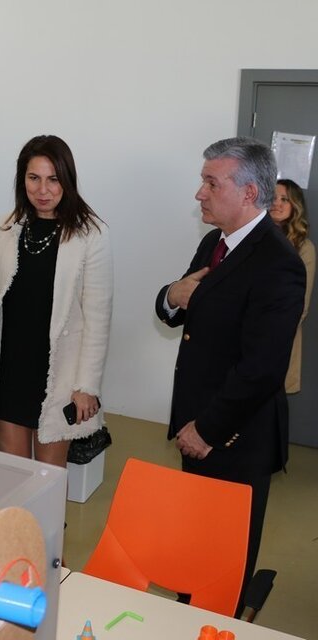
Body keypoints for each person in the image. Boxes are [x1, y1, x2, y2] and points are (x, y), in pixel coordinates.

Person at [155, 137, 305, 615]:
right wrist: (171, 296)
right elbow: (183, 304)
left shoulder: (279, 264)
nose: (199, 193)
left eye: (211, 183)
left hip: (235, 435)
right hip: (197, 425)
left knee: (225, 563)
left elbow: (262, 369)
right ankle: (186, 614)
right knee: (195, 546)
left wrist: (207, 430)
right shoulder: (215, 242)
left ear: (248, 193)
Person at [0, 135, 113, 468]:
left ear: (67, 180)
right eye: (34, 178)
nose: (43, 190)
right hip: (11, 367)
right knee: (12, 474)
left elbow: (98, 319)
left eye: (53, 179)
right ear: (22, 180)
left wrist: (86, 386)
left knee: (49, 479)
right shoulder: (8, 227)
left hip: (58, 372)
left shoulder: (90, 233)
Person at [269, 178, 315, 393]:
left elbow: (300, 307)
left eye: (284, 199)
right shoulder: (251, 239)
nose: (276, 203)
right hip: (240, 340)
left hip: (278, 341)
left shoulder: (304, 248)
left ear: (295, 206)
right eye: (273, 197)